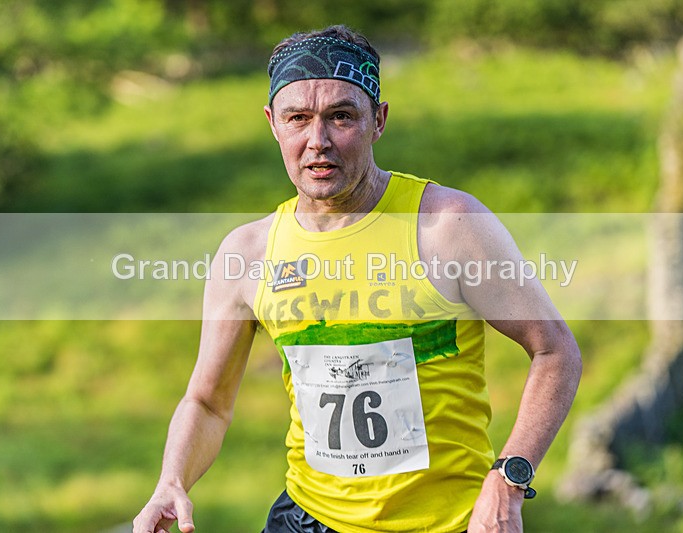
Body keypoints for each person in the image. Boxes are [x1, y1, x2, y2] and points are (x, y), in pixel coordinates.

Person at [133, 24, 581, 533]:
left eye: (341, 116)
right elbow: (207, 402)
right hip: (306, 518)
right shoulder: (248, 253)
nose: (317, 141)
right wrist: (172, 480)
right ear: (273, 125)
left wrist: (508, 480)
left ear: (379, 120)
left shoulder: (446, 226)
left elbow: (555, 351)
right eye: (297, 118)